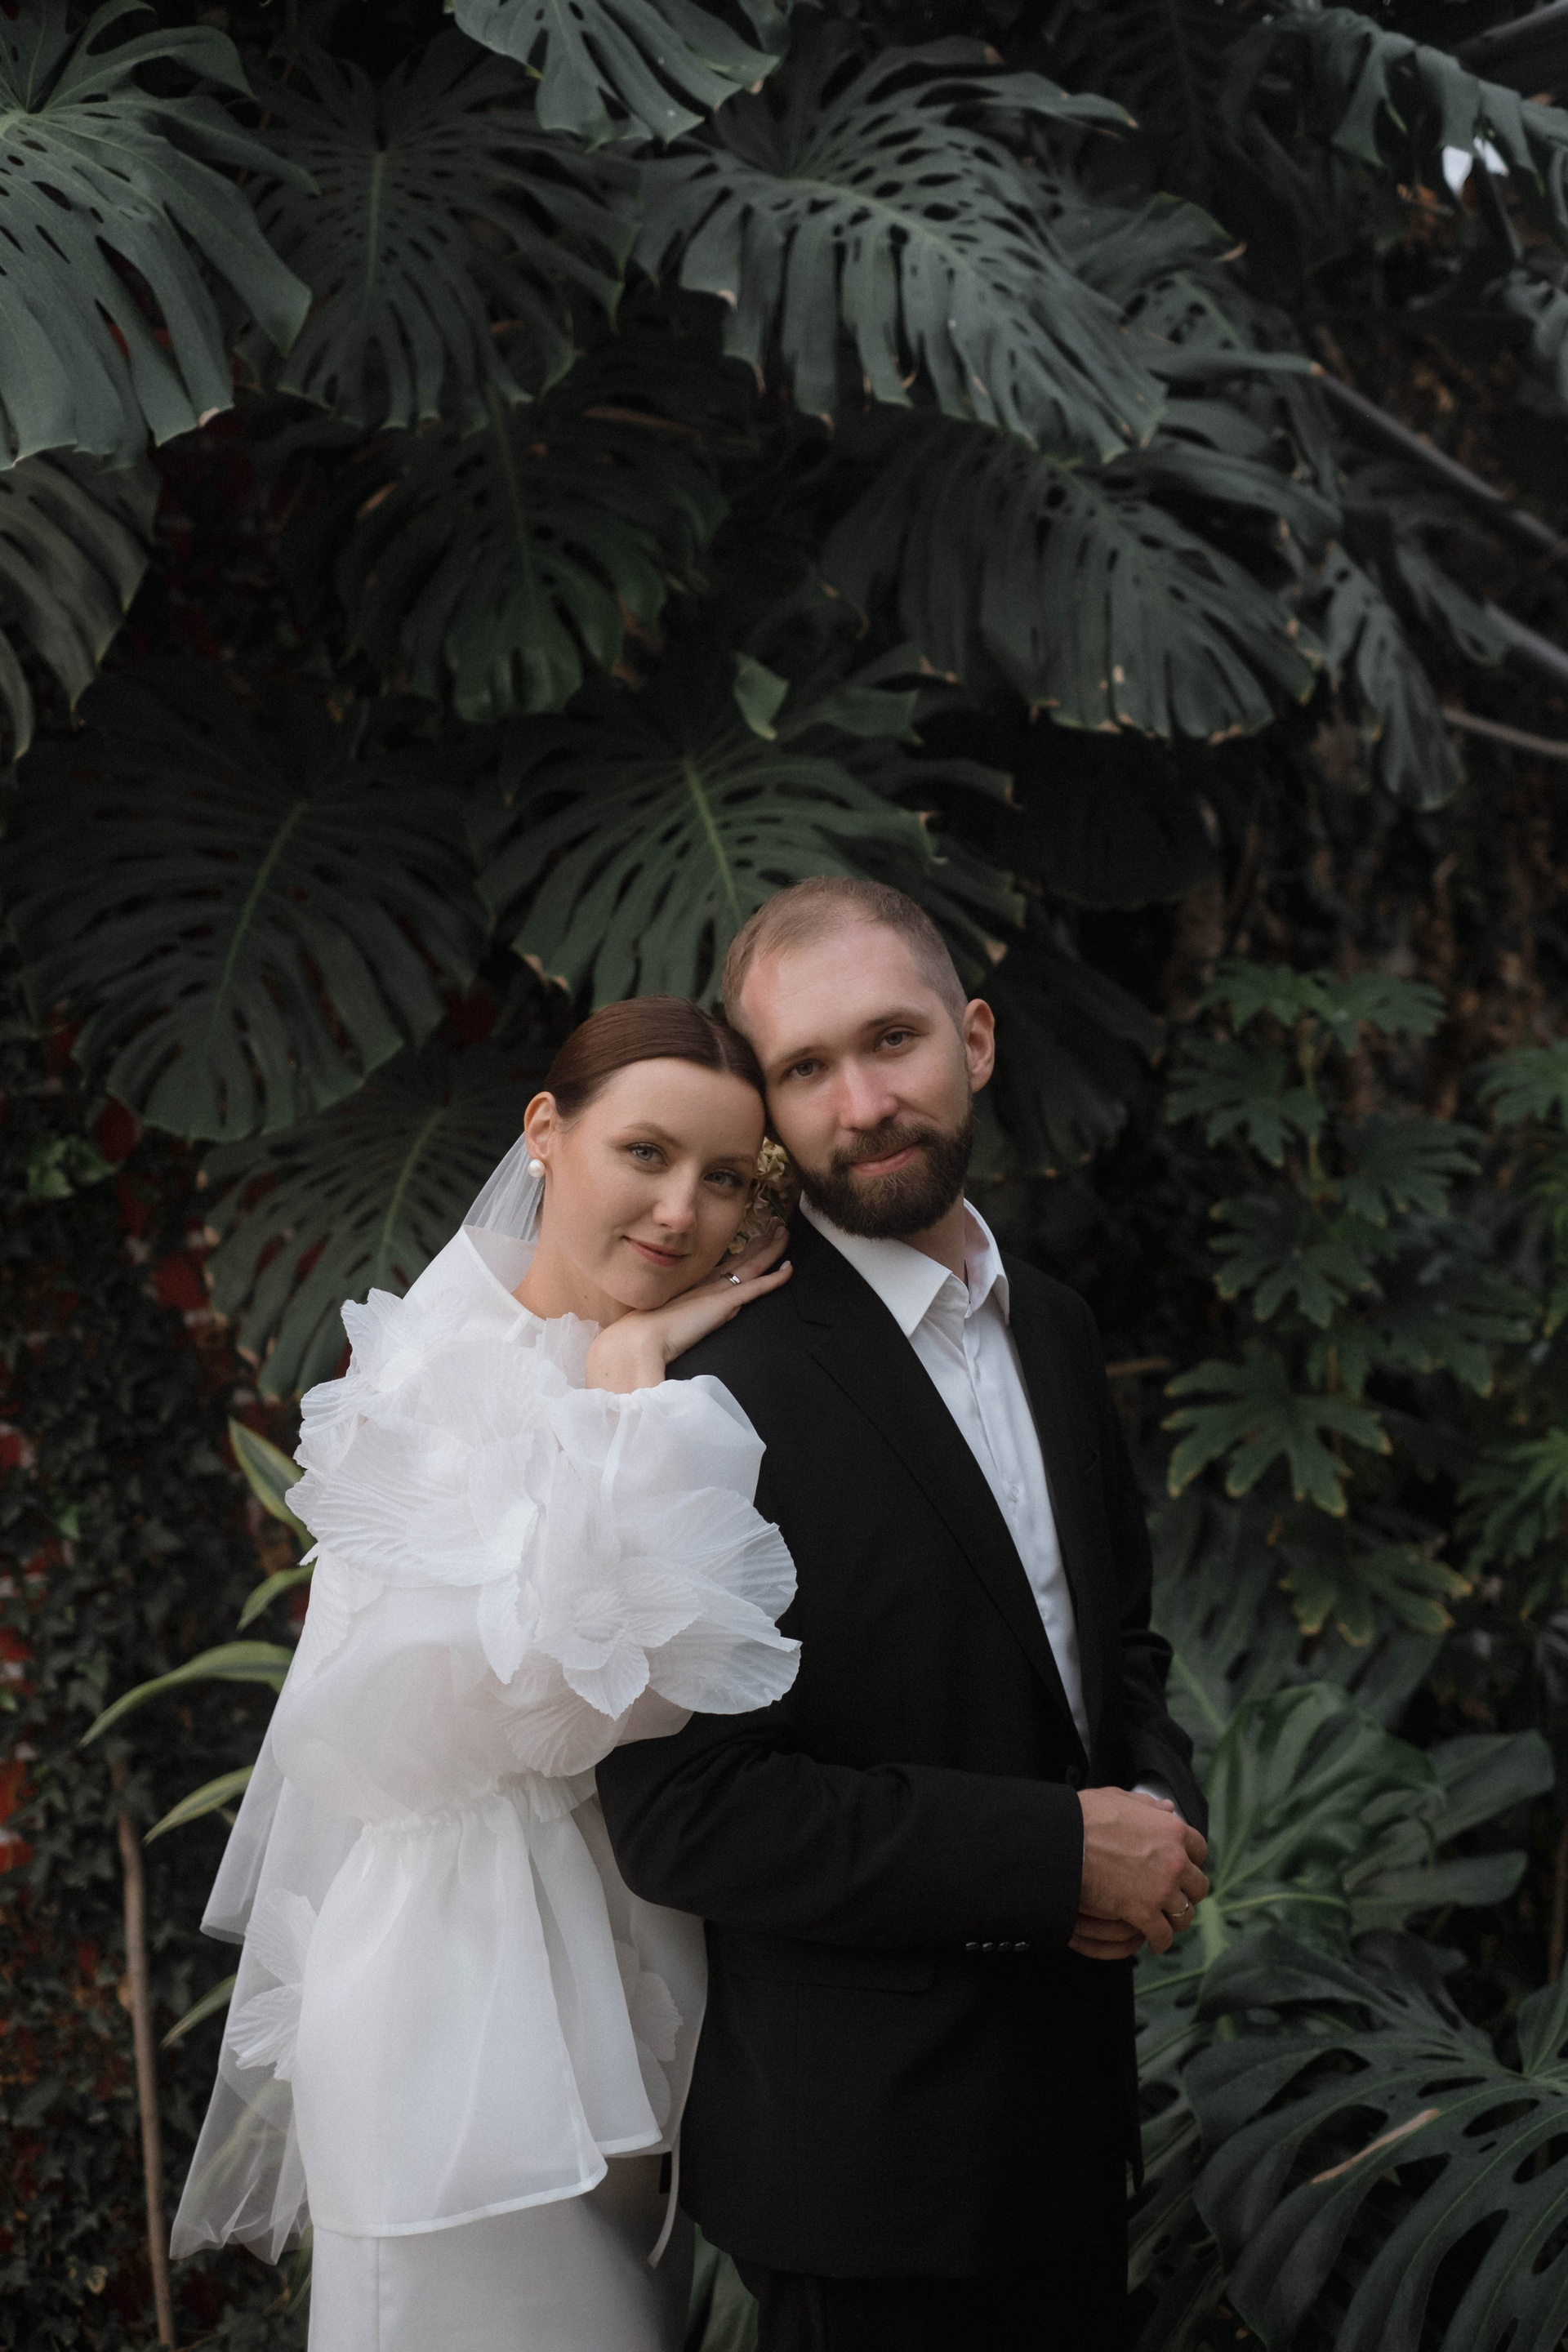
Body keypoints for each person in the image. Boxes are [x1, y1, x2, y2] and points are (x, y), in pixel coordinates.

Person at [597, 880, 1210, 2352]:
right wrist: (1056, 1855)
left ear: (975, 1039)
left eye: (893, 1040)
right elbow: (688, 1815)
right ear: (765, 1112)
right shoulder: (710, 1395)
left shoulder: (1053, 1325)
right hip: (864, 2179)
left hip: (1076, 2130)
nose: (863, 1105)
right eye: (806, 1068)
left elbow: (1115, 1650)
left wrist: (1154, 1809)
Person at [170, 997, 803, 2352]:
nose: (681, 1210)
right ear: (546, 1133)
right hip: (455, 2014)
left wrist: (635, 1366)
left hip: (616, 2005)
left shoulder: (680, 1362)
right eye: (645, 1153)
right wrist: (628, 1385)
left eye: (723, 1178)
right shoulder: (439, 1376)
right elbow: (587, 1694)